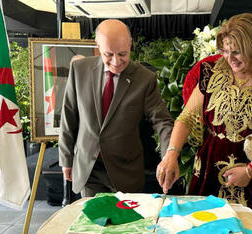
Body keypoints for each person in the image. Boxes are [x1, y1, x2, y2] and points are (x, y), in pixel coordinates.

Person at [157, 13, 252, 234]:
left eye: (237, 52)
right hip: (210, 169)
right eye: (225, 51)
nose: (229, 58)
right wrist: (172, 153)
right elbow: (187, 117)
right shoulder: (212, 73)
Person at [59, 19, 174, 197]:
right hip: (89, 169)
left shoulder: (145, 79)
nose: (116, 61)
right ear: (97, 46)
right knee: (93, 223)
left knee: (126, 223)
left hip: (125, 170)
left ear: (130, 45)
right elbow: (69, 115)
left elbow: (162, 121)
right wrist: (66, 159)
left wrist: (169, 156)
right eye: (108, 54)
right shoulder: (79, 69)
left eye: (122, 54)